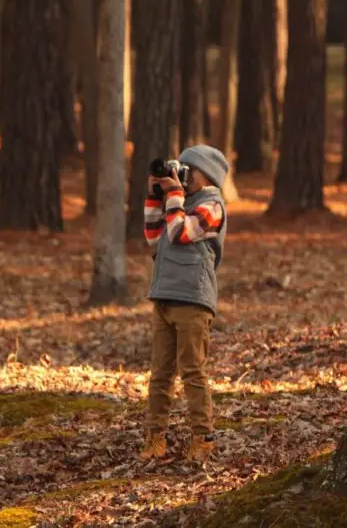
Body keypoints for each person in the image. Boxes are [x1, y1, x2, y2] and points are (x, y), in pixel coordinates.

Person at [139, 144, 229, 462]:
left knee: (192, 370)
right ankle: (155, 436)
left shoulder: (212, 205)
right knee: (160, 373)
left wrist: (174, 194)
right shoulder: (177, 204)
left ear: (207, 176)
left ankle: (202, 437)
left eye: (189, 171)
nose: (183, 177)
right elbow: (153, 237)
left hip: (192, 299)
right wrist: (154, 195)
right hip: (163, 296)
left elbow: (180, 233)